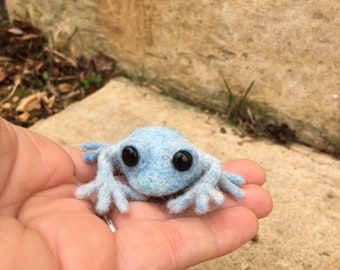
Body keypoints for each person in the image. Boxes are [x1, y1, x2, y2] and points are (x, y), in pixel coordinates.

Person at [0, 116, 272, 269]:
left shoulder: (196, 156)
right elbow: (107, 154)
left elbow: (213, 163)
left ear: (188, 158)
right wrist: (106, 179)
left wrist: (205, 183)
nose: (153, 183)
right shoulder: (120, 150)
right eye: (130, 158)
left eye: (182, 163)